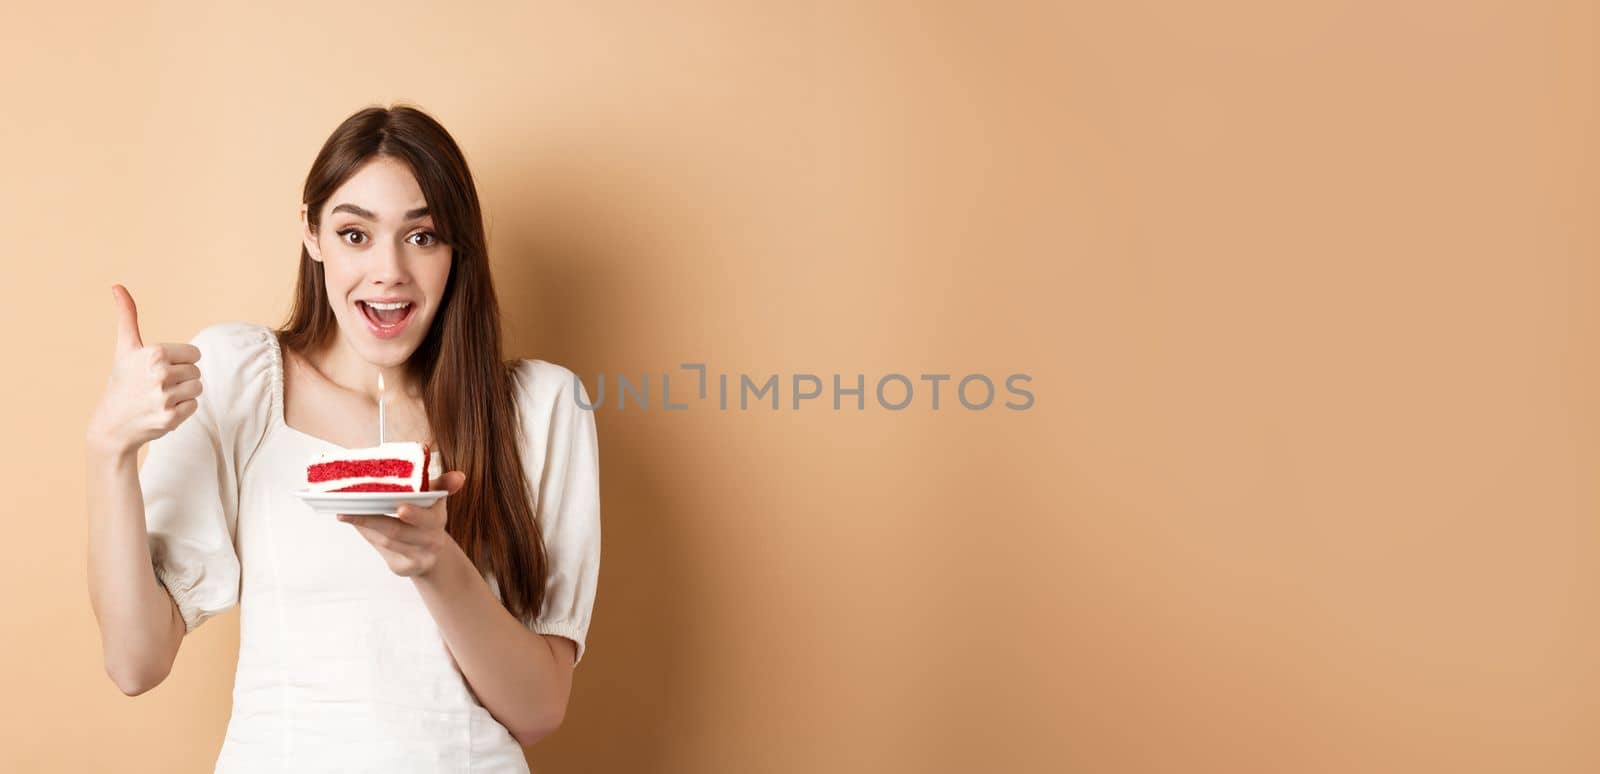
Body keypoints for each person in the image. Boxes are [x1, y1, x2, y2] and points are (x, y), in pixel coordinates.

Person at [84, 104, 601, 772]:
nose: (388, 271)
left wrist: (435, 562)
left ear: (458, 250)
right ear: (312, 234)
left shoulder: (540, 408)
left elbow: (538, 712)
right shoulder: (241, 379)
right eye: (356, 234)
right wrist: (109, 451)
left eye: (423, 237)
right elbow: (135, 662)